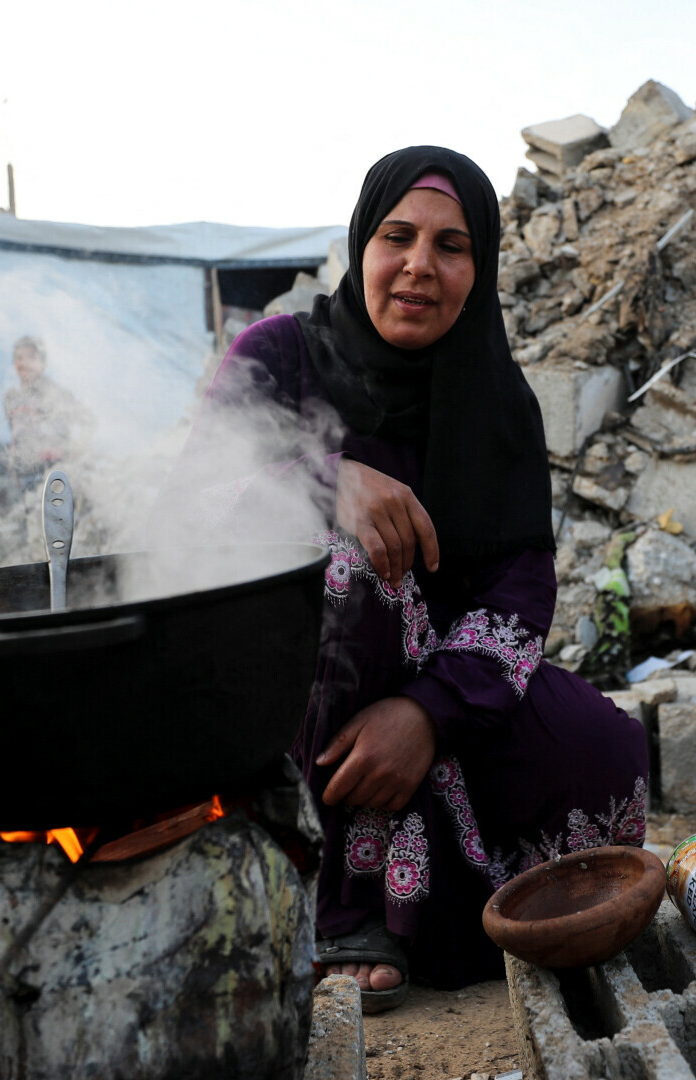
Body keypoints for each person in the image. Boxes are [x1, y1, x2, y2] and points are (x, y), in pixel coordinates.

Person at [162, 147, 648, 1013]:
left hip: (440, 689)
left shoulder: (495, 399)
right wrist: (322, 480)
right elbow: (183, 515)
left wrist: (427, 711)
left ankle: (443, 894)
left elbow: (521, 584)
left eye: (452, 246)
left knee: (603, 749)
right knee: (352, 567)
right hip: (283, 693)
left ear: (480, 266)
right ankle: (338, 905)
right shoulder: (278, 356)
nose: (421, 265)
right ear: (362, 244)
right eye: (398, 236)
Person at [2, 335, 95, 480]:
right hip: (25, 466)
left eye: (31, 358)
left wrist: (76, 451)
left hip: (54, 466)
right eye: (19, 358)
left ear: (43, 364)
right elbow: (16, 438)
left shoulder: (56, 393)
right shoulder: (11, 397)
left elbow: (89, 421)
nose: (24, 363)